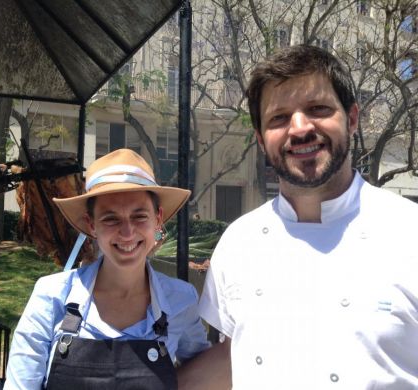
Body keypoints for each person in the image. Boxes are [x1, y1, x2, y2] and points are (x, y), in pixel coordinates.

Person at [179, 45, 418, 389]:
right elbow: (235, 356)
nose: (300, 128)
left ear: (352, 119)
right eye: (279, 118)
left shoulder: (409, 231)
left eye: (318, 108)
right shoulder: (239, 242)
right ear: (261, 140)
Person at [4, 148, 210, 389]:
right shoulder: (51, 297)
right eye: (111, 218)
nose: (127, 232)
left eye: (139, 216)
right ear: (92, 225)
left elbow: (205, 372)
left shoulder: (181, 300)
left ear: (158, 218)